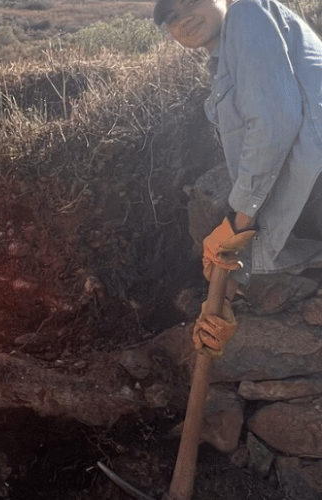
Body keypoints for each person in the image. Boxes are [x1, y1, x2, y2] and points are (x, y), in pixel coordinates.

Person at [153, 0, 322, 355]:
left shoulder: (249, 12)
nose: (183, 19)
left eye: (191, 2)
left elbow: (275, 127)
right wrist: (222, 299)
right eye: (171, 17)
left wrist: (236, 225)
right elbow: (267, 168)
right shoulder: (224, 66)